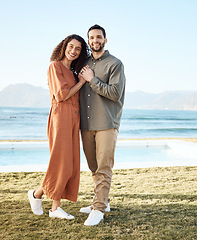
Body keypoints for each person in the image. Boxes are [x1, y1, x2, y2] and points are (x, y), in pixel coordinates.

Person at [28, 34, 89, 219]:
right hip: (60, 117)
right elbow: (62, 95)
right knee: (61, 163)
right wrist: (82, 82)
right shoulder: (55, 66)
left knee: (69, 165)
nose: (73, 51)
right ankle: (54, 208)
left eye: (78, 49)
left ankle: (37, 194)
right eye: (71, 46)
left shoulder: (72, 72)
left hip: (73, 119)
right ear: (64, 47)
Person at [78, 24, 126, 226]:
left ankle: (98, 209)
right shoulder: (84, 63)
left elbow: (115, 94)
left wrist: (92, 79)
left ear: (105, 40)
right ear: (88, 41)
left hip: (107, 123)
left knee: (104, 167)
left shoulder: (115, 64)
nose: (95, 40)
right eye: (91, 37)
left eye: (98, 37)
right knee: (93, 167)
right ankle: (103, 202)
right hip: (86, 124)